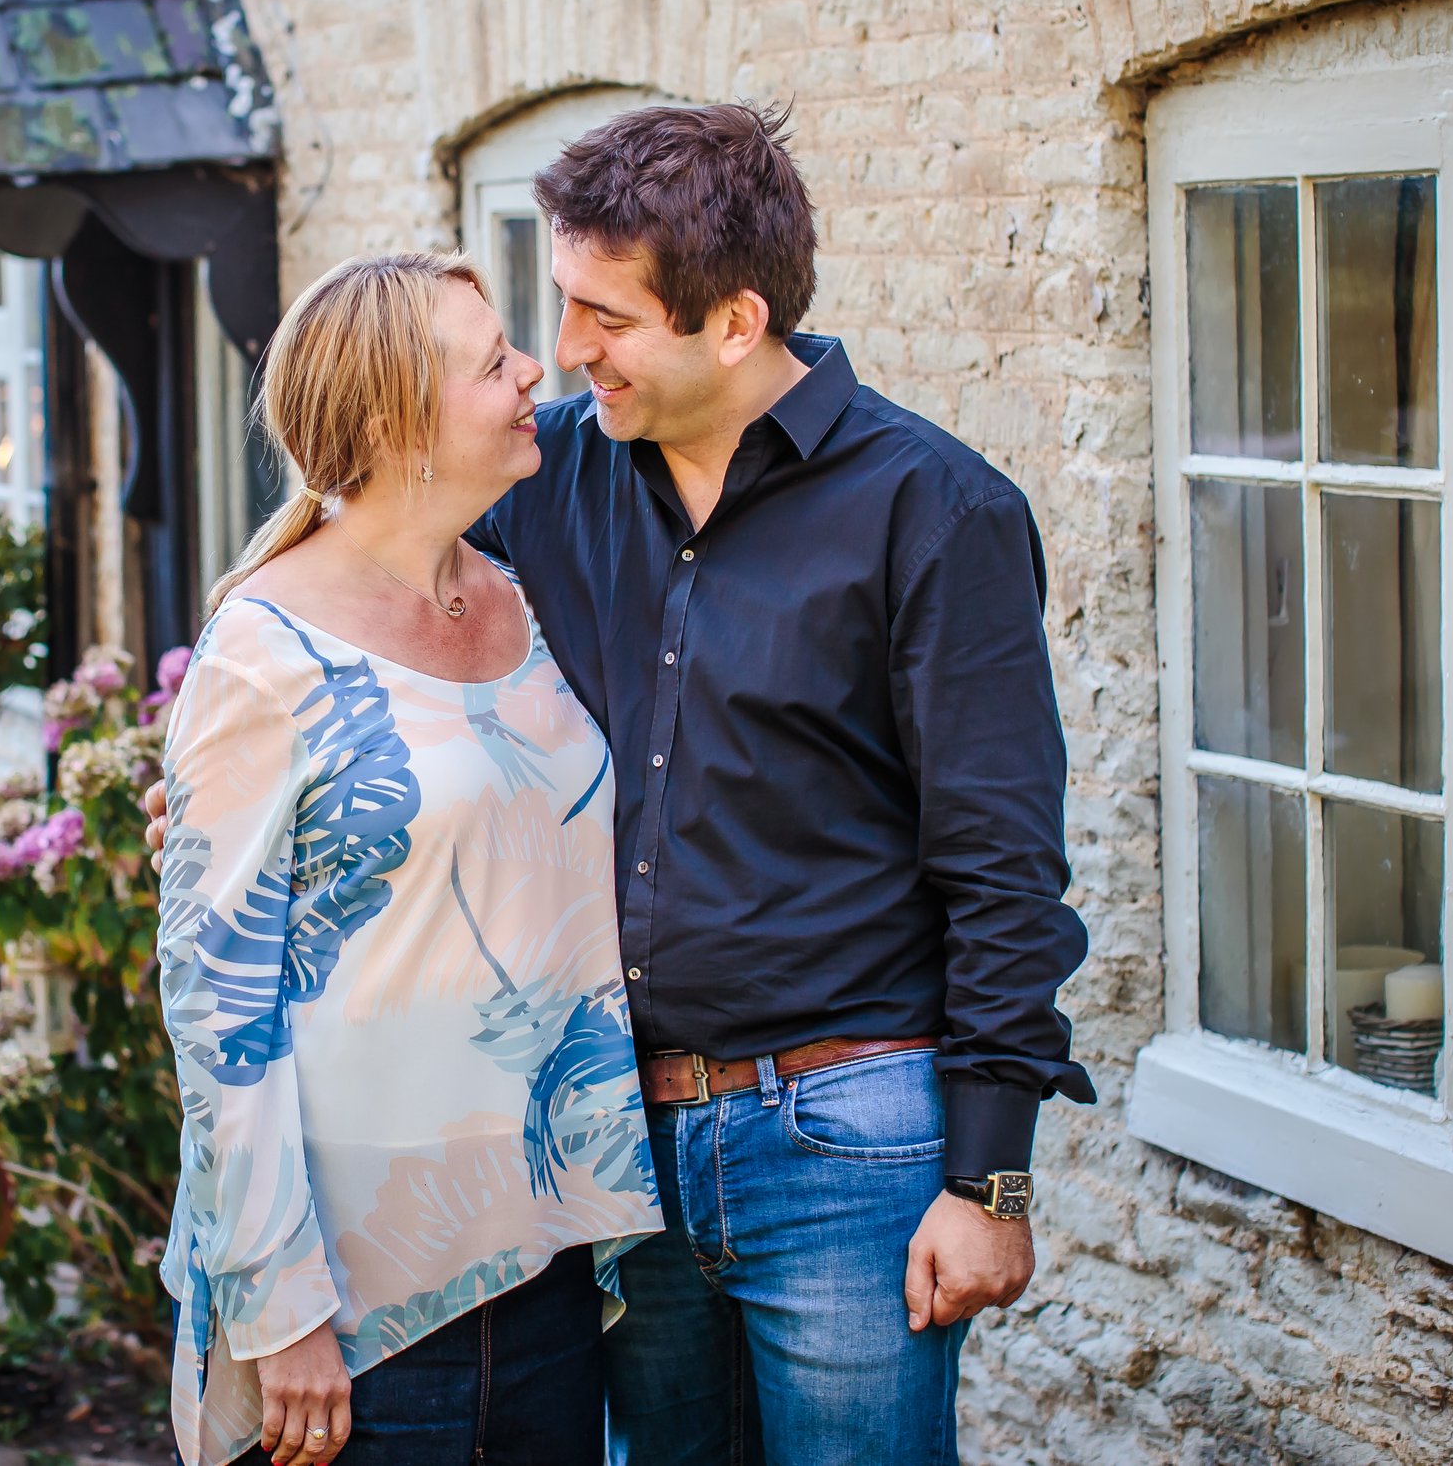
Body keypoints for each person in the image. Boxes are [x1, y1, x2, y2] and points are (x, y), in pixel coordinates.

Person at [154, 103, 1094, 1466]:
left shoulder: (933, 513)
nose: (563, 353)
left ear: (732, 321)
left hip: (838, 1132)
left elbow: (1003, 862)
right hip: (618, 1162)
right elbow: (368, 613)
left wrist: (989, 1173)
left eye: (604, 313)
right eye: (552, 310)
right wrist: (222, 799)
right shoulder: (553, 490)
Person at [155, 251, 663, 1466]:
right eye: (492, 362)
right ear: (395, 422)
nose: (533, 367)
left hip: (546, 1256)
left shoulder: (518, 596)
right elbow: (216, 1000)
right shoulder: (262, 649)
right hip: (361, 1305)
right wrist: (283, 1313)